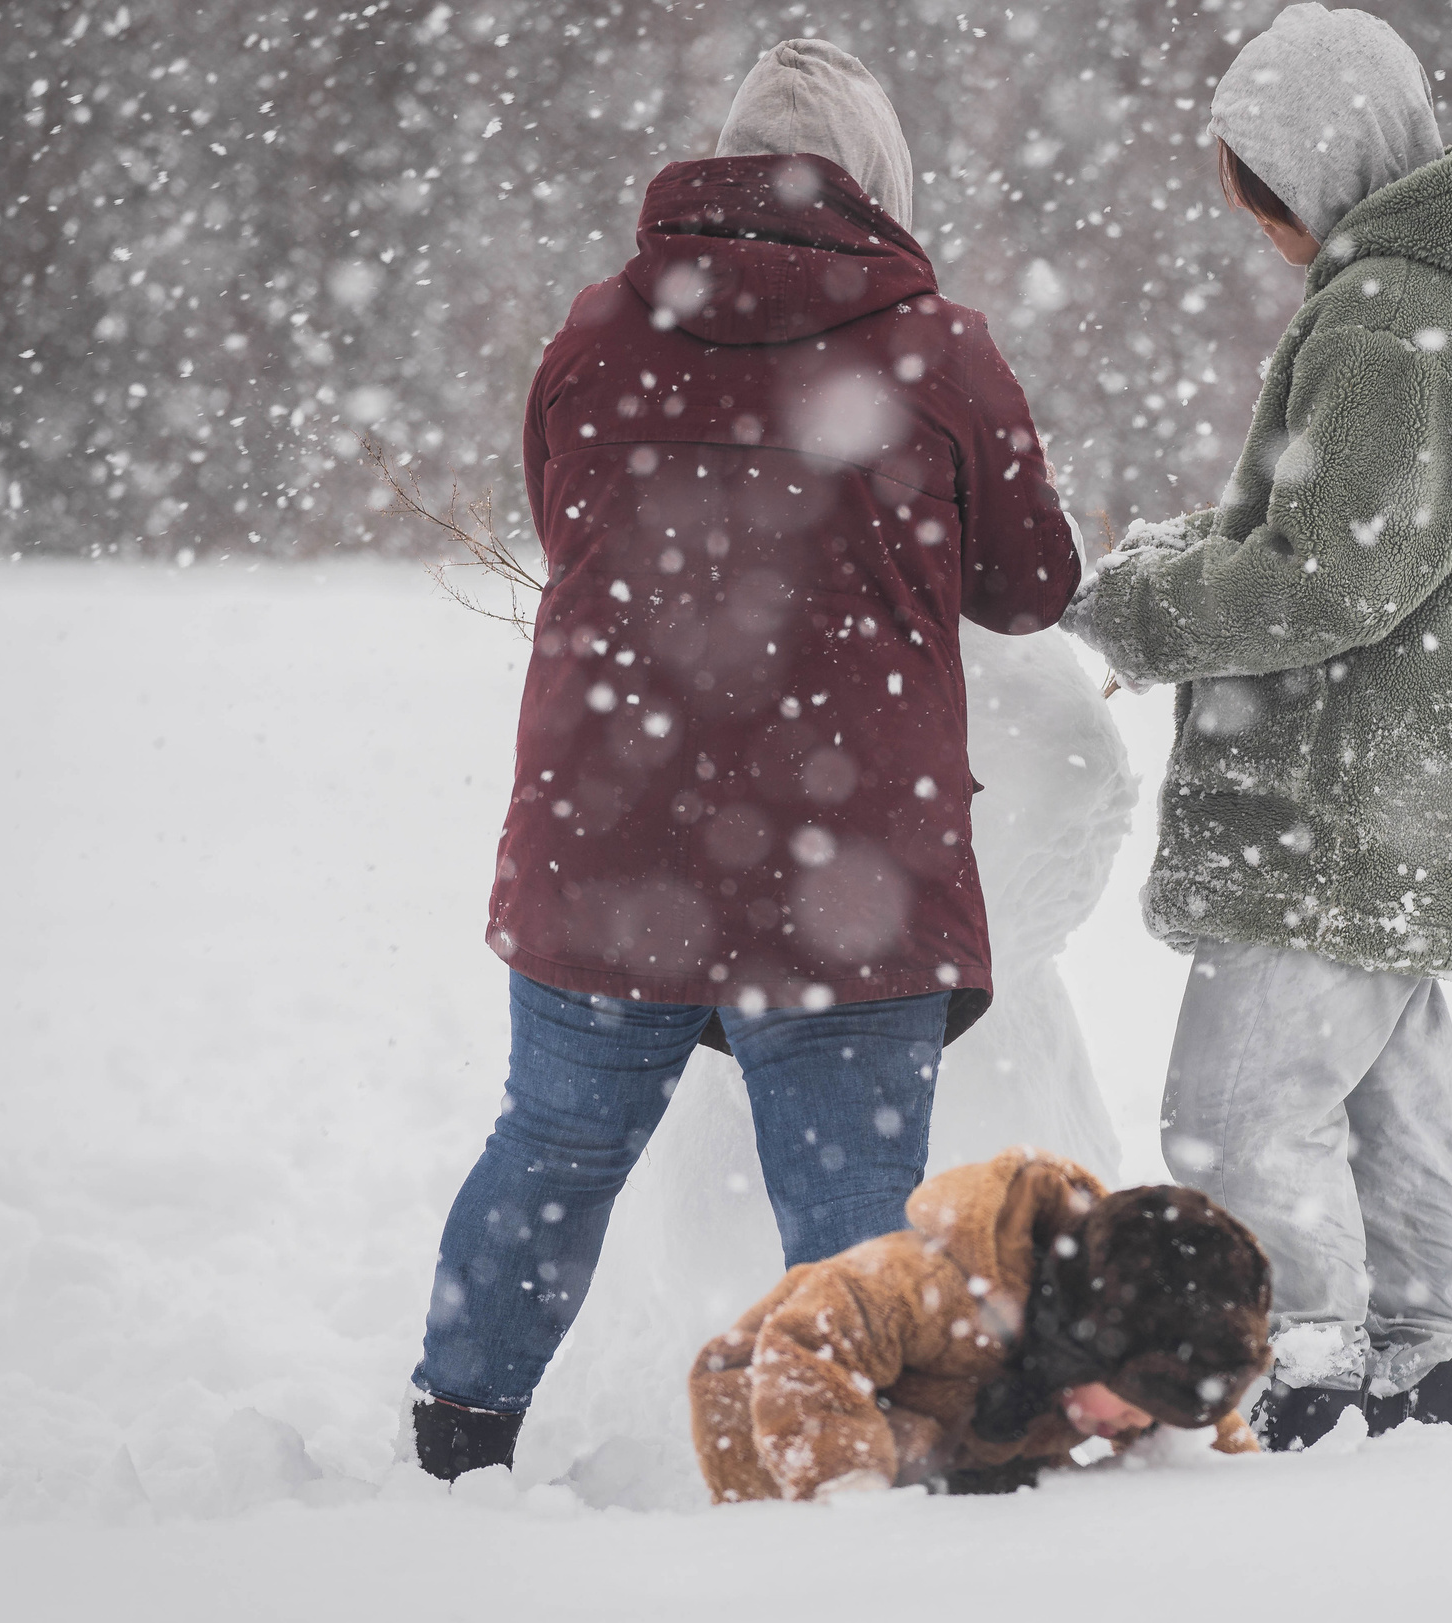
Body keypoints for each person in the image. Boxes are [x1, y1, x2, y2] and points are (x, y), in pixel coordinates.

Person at [411, 39, 1082, 1481]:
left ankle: (457, 1441)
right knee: (849, 1205)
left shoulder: (596, 333)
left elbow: (563, 517)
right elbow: (1033, 585)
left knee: (555, 1148)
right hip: (849, 867)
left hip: (613, 843)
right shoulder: (937, 348)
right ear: (879, 185)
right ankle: (841, 1467)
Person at [1060, 4, 1452, 1450]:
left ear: (1313, 166)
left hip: (1332, 801)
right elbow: (1356, 544)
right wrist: (1189, 557)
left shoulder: (1389, 319)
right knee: (1382, 1101)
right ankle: (1414, 1360)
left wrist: (1139, 612)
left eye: (1255, 184)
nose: (1253, 217)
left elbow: (1331, 576)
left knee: (1232, 1115)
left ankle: (1312, 1376)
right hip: (1427, 791)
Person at [691, 1148, 1270, 1501]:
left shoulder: (1120, 1358)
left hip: (963, 1445)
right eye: (1135, 1402)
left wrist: (1239, 1473)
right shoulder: (933, 1286)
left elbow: (1196, 1414)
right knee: (903, 1470)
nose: (1139, 1423)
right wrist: (848, 1491)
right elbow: (809, 1339)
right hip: (777, 1411)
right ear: (1083, 1344)